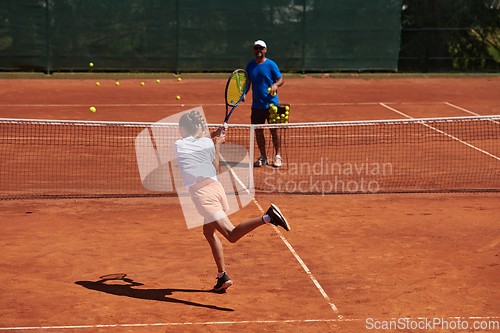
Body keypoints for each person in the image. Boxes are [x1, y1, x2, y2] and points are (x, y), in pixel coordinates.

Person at [174, 110, 291, 292]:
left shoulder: (179, 145)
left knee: (231, 234)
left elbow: (194, 141)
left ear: (183, 129)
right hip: (217, 189)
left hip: (203, 196)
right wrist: (215, 141)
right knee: (209, 233)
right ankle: (222, 276)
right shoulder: (207, 143)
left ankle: (268, 217)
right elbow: (216, 167)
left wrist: (214, 140)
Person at [245, 40, 284, 167]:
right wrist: (245, 93)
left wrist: (275, 84)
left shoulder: (271, 64)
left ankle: (277, 156)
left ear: (265, 50)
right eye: (256, 48)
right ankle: (263, 156)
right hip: (256, 106)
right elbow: (248, 83)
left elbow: (281, 79)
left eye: (261, 48)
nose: (258, 50)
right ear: (253, 50)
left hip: (272, 105)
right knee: (258, 131)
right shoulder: (250, 66)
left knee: (274, 131)